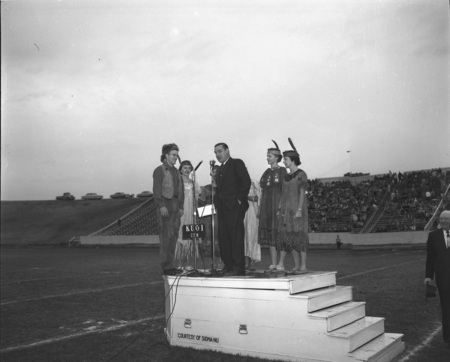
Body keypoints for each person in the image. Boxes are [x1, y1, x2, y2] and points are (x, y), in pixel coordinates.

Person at [213, 142, 251, 276]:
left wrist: (239, 200)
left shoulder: (236, 163)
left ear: (227, 150)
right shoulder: (220, 169)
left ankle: (238, 267)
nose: (218, 155)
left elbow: (246, 181)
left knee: (236, 237)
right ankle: (228, 264)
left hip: (234, 206)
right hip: (223, 207)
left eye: (220, 151)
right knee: (224, 237)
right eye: (216, 152)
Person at [276, 138, 309, 274]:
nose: (283, 161)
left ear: (293, 160)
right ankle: (296, 265)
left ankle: (303, 266)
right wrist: (279, 208)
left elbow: (302, 193)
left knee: (299, 236)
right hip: (286, 210)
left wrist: (300, 209)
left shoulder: (301, 174)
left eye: (286, 159)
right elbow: (283, 194)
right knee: (290, 238)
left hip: (297, 209)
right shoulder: (285, 177)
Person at [153, 143, 184, 276]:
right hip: (165, 205)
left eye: (176, 155)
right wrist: (161, 206)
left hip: (176, 206)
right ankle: (166, 266)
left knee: (174, 237)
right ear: (166, 155)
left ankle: (171, 265)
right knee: (166, 237)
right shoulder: (159, 170)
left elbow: (180, 190)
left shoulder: (177, 171)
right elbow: (156, 190)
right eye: (173, 155)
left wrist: (181, 206)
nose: (176, 158)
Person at [257, 141, 287, 271]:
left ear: (276, 157)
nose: (267, 158)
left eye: (269, 156)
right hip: (266, 207)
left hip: (277, 206)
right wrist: (259, 208)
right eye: (267, 155)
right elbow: (262, 191)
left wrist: (280, 207)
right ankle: (273, 263)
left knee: (280, 235)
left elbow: (285, 190)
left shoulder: (282, 171)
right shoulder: (266, 172)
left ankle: (281, 262)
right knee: (270, 237)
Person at [424, 210, 450, 348]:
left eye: (447, 218)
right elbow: (431, 258)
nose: (444, 221)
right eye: (442, 218)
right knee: (446, 307)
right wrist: (428, 276)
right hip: (443, 278)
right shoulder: (433, 236)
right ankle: (448, 337)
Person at [175, 160, 201, 271]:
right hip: (181, 211)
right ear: (180, 169)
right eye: (185, 167)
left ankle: (188, 263)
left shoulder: (193, 182)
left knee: (190, 235)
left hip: (191, 212)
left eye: (189, 168)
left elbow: (197, 198)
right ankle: (180, 263)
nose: (187, 170)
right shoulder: (177, 181)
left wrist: (196, 211)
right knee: (180, 235)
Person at [244, 179, 261, 271]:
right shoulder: (237, 183)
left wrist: (246, 197)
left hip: (252, 212)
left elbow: (258, 198)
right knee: (243, 237)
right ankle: (245, 261)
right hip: (241, 212)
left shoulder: (253, 183)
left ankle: (252, 261)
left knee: (252, 236)